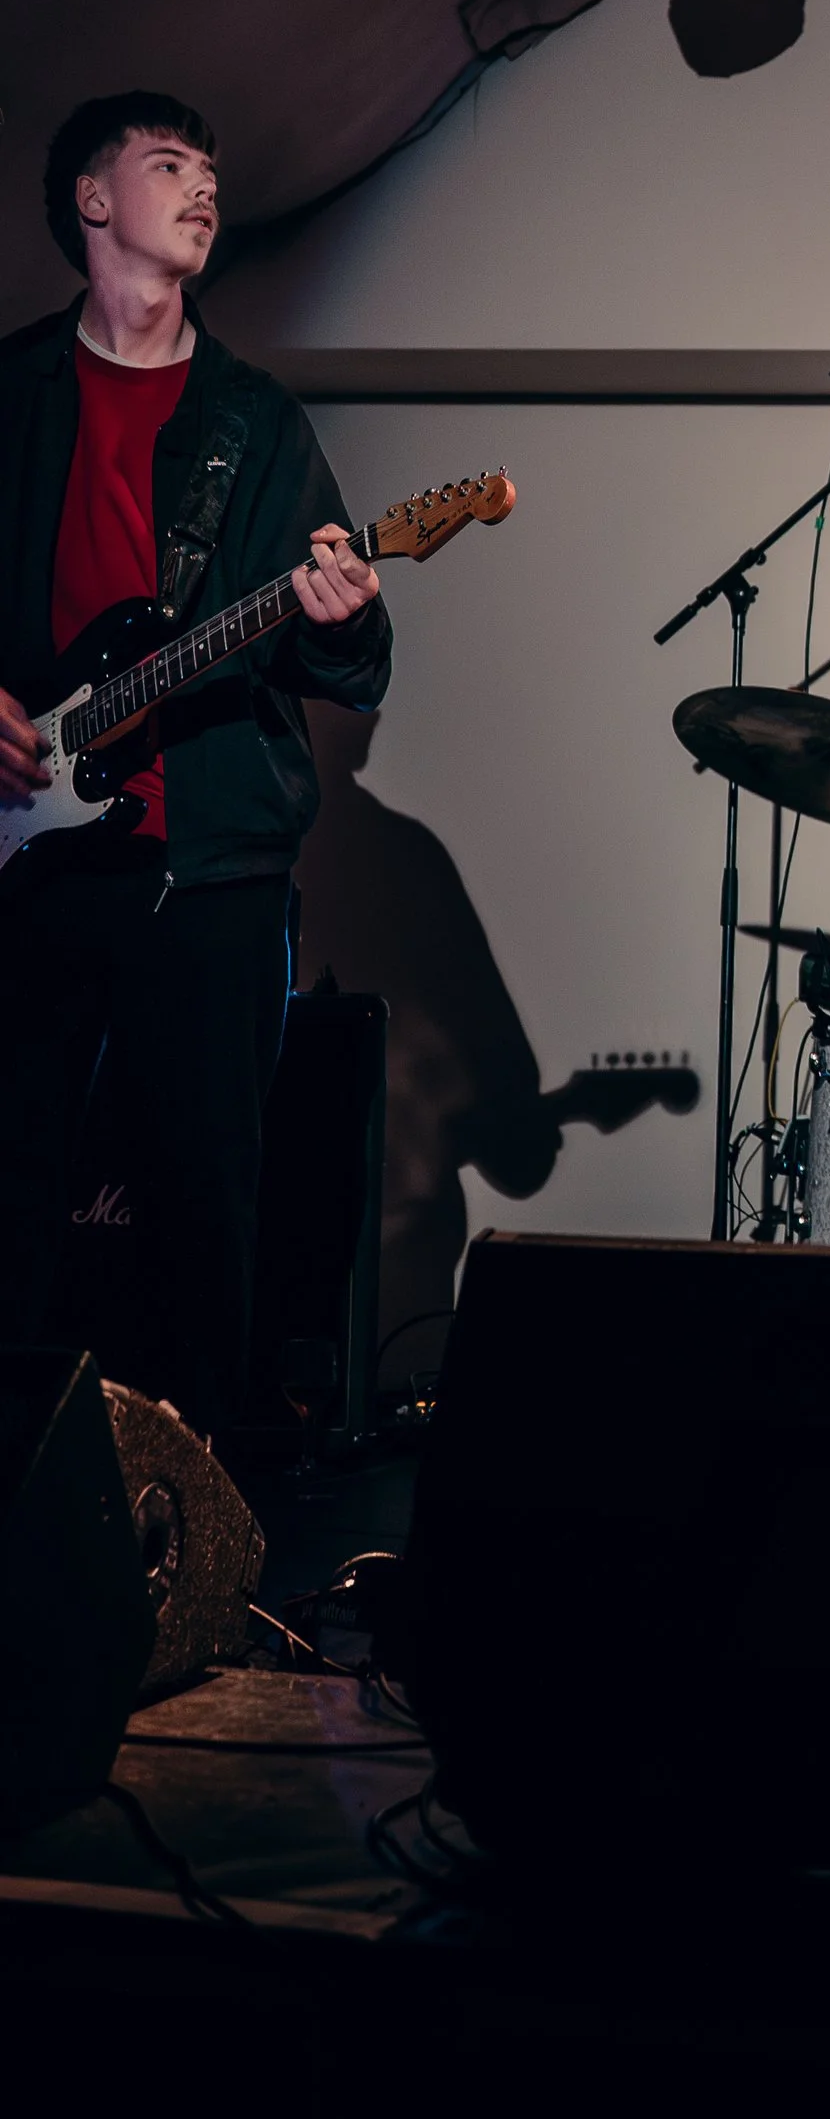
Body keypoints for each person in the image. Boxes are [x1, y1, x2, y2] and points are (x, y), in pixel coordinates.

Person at [0, 94, 390, 1424]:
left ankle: (198, 1552)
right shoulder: (9, 395)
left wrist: (346, 614)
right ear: (94, 202)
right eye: (171, 166)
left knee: (205, 1226)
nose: (206, 189)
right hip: (24, 872)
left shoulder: (255, 421)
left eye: (214, 173)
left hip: (206, 871)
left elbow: (345, 665)